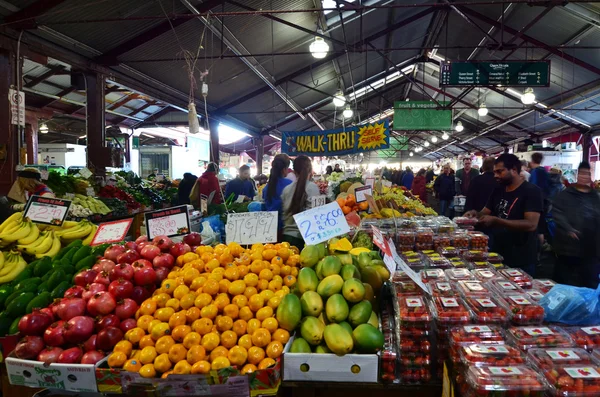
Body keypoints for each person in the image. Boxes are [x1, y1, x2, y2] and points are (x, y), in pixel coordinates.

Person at [465, 154, 543, 276]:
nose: (495, 175)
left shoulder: (531, 191)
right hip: (498, 253)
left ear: (514, 170)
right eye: (495, 172)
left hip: (521, 257)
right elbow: (485, 212)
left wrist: (498, 221)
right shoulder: (498, 189)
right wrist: (475, 214)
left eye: (500, 172)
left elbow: (531, 224)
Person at [552, 161, 600, 288]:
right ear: (577, 175)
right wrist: (568, 229)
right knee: (564, 283)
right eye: (582, 173)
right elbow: (557, 212)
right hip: (567, 249)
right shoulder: (565, 195)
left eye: (587, 174)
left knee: (590, 284)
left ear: (591, 176)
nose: (584, 176)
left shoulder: (596, 197)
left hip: (591, 249)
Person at [281, 155, 320, 250]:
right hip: (304, 240)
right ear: (310, 170)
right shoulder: (312, 187)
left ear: (294, 171)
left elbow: (283, 213)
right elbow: (316, 214)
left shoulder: (286, 189)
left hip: (286, 237)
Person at [263, 156, 293, 234]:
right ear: (284, 170)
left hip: (269, 225)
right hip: (284, 225)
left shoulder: (267, 187)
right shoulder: (289, 184)